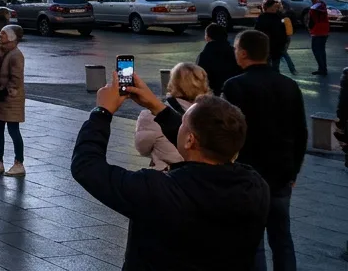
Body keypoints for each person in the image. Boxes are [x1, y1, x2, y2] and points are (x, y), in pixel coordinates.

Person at [71, 72, 269, 269]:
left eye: (183, 123)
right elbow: (204, 142)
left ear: (190, 139)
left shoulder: (160, 190)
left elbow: (87, 166)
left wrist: (102, 112)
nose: (179, 124)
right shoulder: (256, 187)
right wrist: (156, 107)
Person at [222, 29, 307, 270]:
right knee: (282, 238)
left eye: (236, 49)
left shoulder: (234, 86)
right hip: (281, 172)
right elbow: (301, 131)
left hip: (247, 173)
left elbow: (227, 133)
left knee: (253, 240)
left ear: (244, 53)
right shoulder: (289, 85)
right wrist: (294, 171)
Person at [134, 62, 209, 170]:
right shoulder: (212, 114)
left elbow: (142, 148)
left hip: (166, 176)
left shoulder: (152, 116)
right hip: (200, 175)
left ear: (172, 84)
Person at [0, 25, 26, 177]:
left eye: (3, 33)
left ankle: (19, 162)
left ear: (11, 37)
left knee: (13, 130)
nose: (0, 35)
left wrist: (5, 89)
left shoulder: (16, 55)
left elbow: (16, 79)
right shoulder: (2, 52)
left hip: (10, 98)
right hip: (0, 97)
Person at [197, 23, 240, 95]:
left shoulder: (204, 55)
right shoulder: (235, 53)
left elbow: (200, 78)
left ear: (207, 37)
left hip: (214, 94)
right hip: (236, 92)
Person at [254, 0, 290, 74]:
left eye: (276, 7)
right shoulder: (263, 17)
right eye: (274, 6)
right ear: (268, 7)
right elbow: (258, 32)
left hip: (277, 46)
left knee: (275, 67)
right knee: (268, 66)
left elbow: (285, 30)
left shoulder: (279, 16)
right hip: (267, 46)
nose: (275, 8)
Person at [307, 0, 331, 75]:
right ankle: (322, 68)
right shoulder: (319, 5)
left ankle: (322, 69)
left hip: (319, 30)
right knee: (320, 50)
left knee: (317, 50)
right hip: (321, 30)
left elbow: (313, 17)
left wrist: (310, 27)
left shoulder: (318, 6)